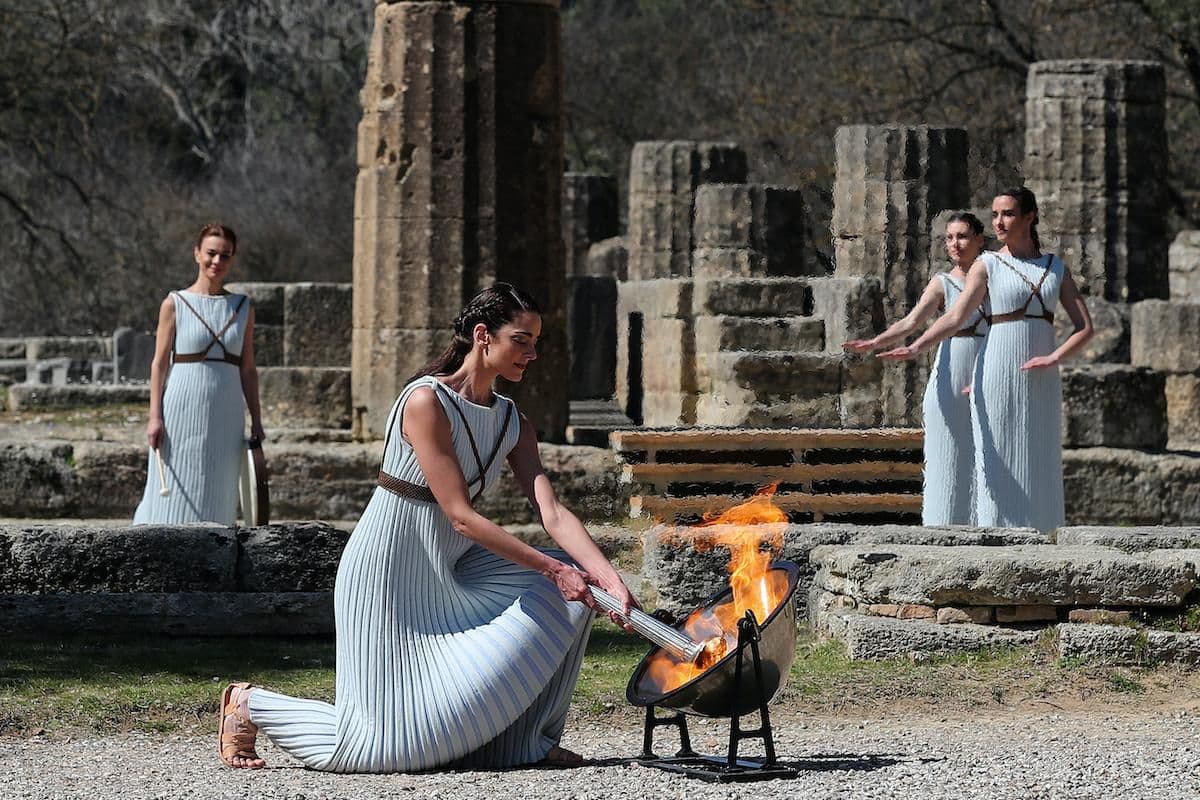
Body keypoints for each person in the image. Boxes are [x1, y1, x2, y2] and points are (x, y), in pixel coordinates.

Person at [217, 283, 638, 772]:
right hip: (387, 571)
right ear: (483, 335)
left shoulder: (513, 422)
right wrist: (552, 569)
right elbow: (460, 516)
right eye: (521, 340)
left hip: (451, 571)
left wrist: (607, 578)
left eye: (535, 342)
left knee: (576, 591)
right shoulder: (426, 402)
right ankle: (250, 704)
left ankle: (525, 743)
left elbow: (553, 512)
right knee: (381, 747)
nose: (533, 353)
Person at [879, 188, 1094, 533]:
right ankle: (996, 544)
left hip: (1041, 378)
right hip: (995, 370)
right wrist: (917, 346)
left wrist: (1054, 357)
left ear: (1030, 217)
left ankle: (1045, 542)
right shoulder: (987, 264)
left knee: (1041, 459)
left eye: (1007, 214)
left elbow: (1085, 328)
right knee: (995, 466)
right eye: (995, 215)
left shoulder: (1055, 268)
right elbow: (954, 317)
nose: (999, 221)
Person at [844, 212, 988, 525]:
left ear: (979, 239)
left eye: (962, 236)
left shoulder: (994, 276)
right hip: (952, 369)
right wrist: (876, 343)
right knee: (950, 452)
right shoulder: (943, 283)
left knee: (988, 451)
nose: (955, 244)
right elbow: (911, 322)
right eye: (949, 238)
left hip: (988, 365)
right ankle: (944, 523)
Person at [132, 223, 264, 526]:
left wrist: (256, 419)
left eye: (225, 255)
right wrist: (155, 417)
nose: (217, 261)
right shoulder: (174, 303)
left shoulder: (242, 307)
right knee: (172, 489)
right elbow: (159, 364)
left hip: (227, 409)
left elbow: (248, 369)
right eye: (211, 253)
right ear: (197, 254)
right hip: (181, 405)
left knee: (219, 483)